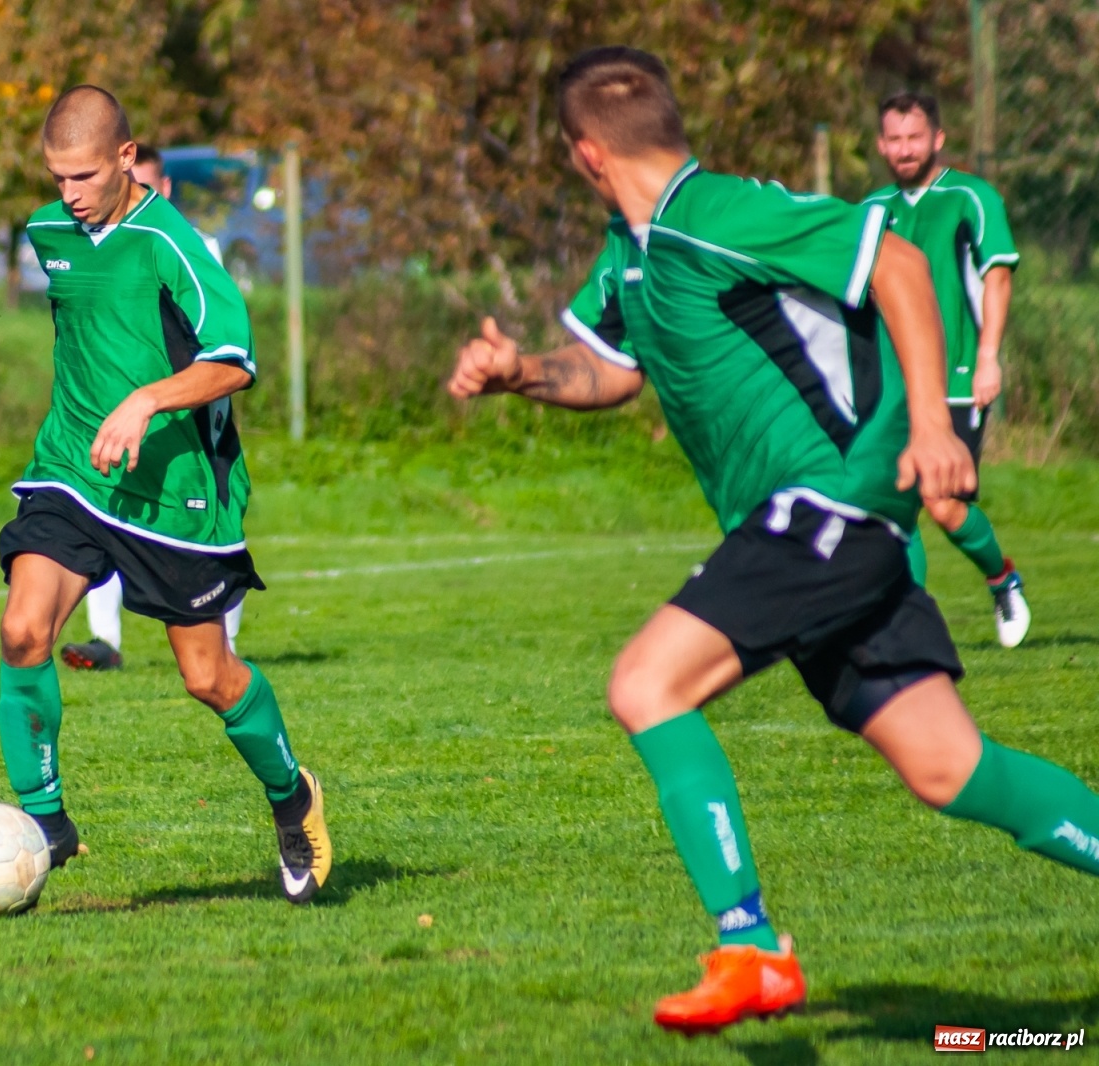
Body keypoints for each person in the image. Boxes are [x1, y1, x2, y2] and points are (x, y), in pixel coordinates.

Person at [447, 46, 1099, 1034]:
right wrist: (519, 372)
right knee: (949, 767)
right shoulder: (634, 249)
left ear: (583, 152)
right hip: (826, 532)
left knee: (644, 684)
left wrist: (930, 420)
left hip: (826, 508)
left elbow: (899, 260)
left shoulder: (715, 213)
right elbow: (609, 369)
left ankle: (749, 946)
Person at [0, 86, 330, 903]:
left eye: (82, 175)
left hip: (175, 490)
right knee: (22, 629)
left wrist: (145, 400)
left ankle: (293, 798)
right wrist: (100, 411)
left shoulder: (172, 244)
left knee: (208, 677)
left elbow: (235, 360)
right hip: (74, 467)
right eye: (53, 176)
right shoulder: (48, 233)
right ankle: (47, 823)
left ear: (124, 156)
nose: (67, 193)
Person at [60, 143, 244, 671]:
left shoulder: (191, 245)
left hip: (190, 425)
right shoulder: (86, 240)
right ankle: (106, 643)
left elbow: (224, 346)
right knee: (101, 505)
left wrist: (163, 394)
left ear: (160, 189)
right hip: (118, 419)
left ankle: (225, 654)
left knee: (212, 539)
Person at [865, 91, 1030, 647]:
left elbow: (998, 278)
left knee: (942, 503)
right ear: (881, 144)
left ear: (937, 139)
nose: (904, 149)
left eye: (915, 137)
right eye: (894, 138)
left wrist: (988, 357)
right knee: (894, 503)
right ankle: (906, 623)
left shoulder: (970, 197)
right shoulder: (872, 210)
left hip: (957, 375)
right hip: (892, 381)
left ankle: (1002, 578)